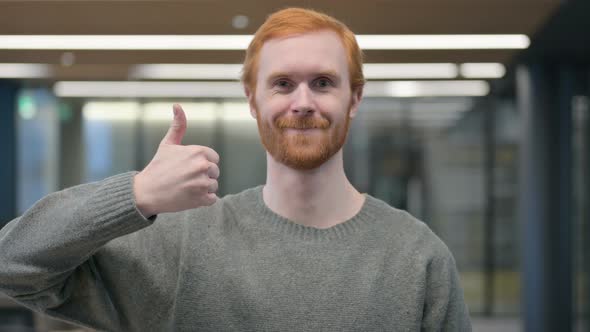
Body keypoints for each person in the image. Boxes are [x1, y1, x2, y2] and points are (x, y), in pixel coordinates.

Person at [0, 7, 471, 332]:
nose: (303, 102)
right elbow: (13, 265)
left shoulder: (417, 258)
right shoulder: (182, 247)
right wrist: (135, 194)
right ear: (253, 100)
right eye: (283, 83)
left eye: (323, 83)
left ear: (355, 99)